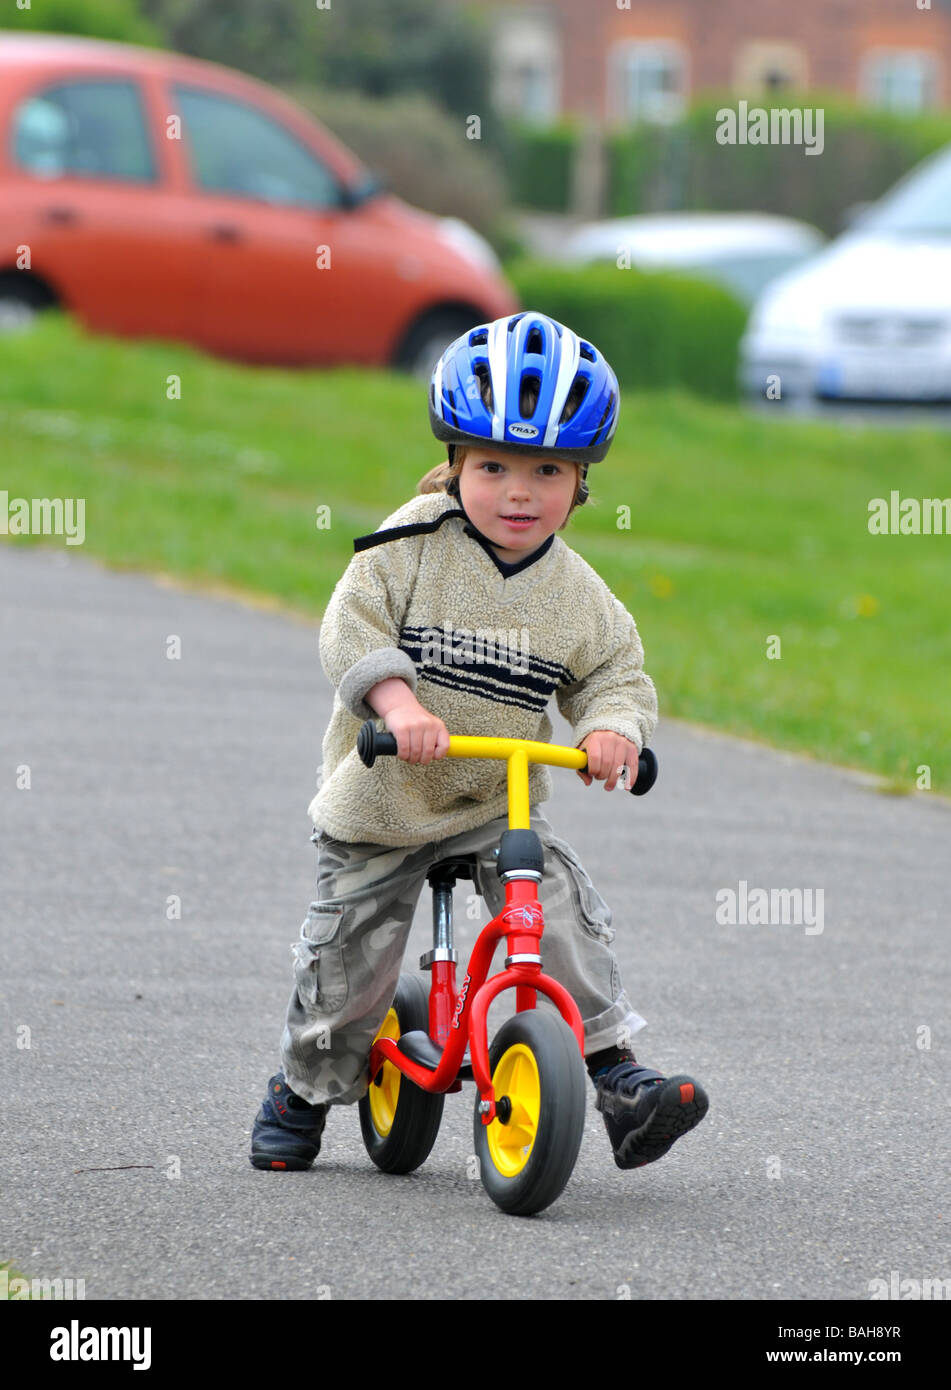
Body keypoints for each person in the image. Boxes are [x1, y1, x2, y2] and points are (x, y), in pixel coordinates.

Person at [250, 311, 708, 1174]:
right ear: (455, 465)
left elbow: (613, 671)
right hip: (385, 802)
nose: (518, 492)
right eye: (492, 467)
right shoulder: (412, 546)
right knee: (351, 966)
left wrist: (612, 729)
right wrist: (394, 702)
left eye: (546, 472)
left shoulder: (577, 593)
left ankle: (613, 1076)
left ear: (581, 485)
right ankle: (302, 1088)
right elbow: (352, 625)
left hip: (496, 802)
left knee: (561, 909)